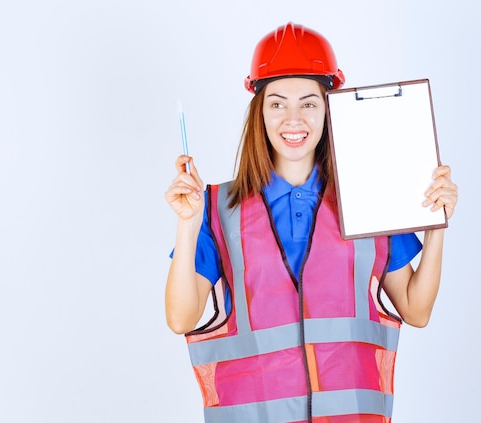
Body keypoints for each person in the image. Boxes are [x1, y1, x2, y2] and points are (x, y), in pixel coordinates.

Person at [164, 22, 458, 423]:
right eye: (277, 103)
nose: (293, 118)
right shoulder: (218, 207)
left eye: (309, 102)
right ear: (260, 112)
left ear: (328, 108)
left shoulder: (370, 195)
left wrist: (434, 225)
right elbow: (181, 317)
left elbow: (417, 309)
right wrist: (188, 224)